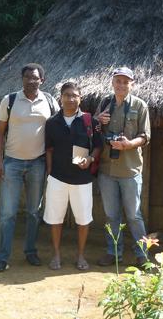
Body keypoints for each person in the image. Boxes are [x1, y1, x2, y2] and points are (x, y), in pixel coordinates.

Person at [0, 63, 59, 272]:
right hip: (11, 162)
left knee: (33, 212)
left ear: (42, 80)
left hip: (37, 163)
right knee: (7, 213)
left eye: (35, 78)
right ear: (22, 80)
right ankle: (2, 257)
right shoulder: (9, 100)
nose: (31, 81)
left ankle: (30, 252)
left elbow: (63, 124)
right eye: (27, 77)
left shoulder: (49, 101)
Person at [95, 67, 151, 267]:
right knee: (111, 215)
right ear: (112, 82)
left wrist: (128, 144)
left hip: (130, 170)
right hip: (107, 170)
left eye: (125, 82)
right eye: (118, 81)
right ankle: (113, 253)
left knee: (134, 216)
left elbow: (145, 136)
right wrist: (97, 121)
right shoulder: (104, 104)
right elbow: (94, 132)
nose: (121, 85)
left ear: (132, 84)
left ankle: (142, 255)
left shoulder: (140, 105)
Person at [44, 82, 103, 271]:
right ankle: (56, 255)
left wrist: (91, 159)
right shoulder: (52, 123)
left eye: (74, 95)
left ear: (80, 98)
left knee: (83, 219)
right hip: (57, 178)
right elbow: (49, 150)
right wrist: (50, 173)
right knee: (55, 218)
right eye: (67, 95)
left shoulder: (90, 122)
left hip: (82, 179)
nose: (70, 99)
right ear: (60, 98)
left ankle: (81, 256)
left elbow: (99, 146)